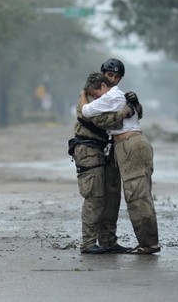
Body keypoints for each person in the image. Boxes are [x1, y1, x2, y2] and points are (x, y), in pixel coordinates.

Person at [80, 71, 160, 255]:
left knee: (137, 196)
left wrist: (83, 94)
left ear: (101, 87)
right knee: (133, 195)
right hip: (125, 147)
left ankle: (149, 244)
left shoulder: (110, 95)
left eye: (95, 94)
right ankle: (143, 242)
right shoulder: (121, 97)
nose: (95, 98)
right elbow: (136, 113)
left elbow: (87, 112)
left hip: (130, 145)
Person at [69, 58, 140, 254]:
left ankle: (108, 241)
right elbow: (97, 119)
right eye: (109, 75)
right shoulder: (89, 94)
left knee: (112, 197)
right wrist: (122, 114)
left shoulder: (113, 96)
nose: (113, 80)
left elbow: (136, 115)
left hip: (107, 151)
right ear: (102, 76)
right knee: (94, 196)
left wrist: (134, 103)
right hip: (88, 149)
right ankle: (88, 242)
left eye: (117, 77)